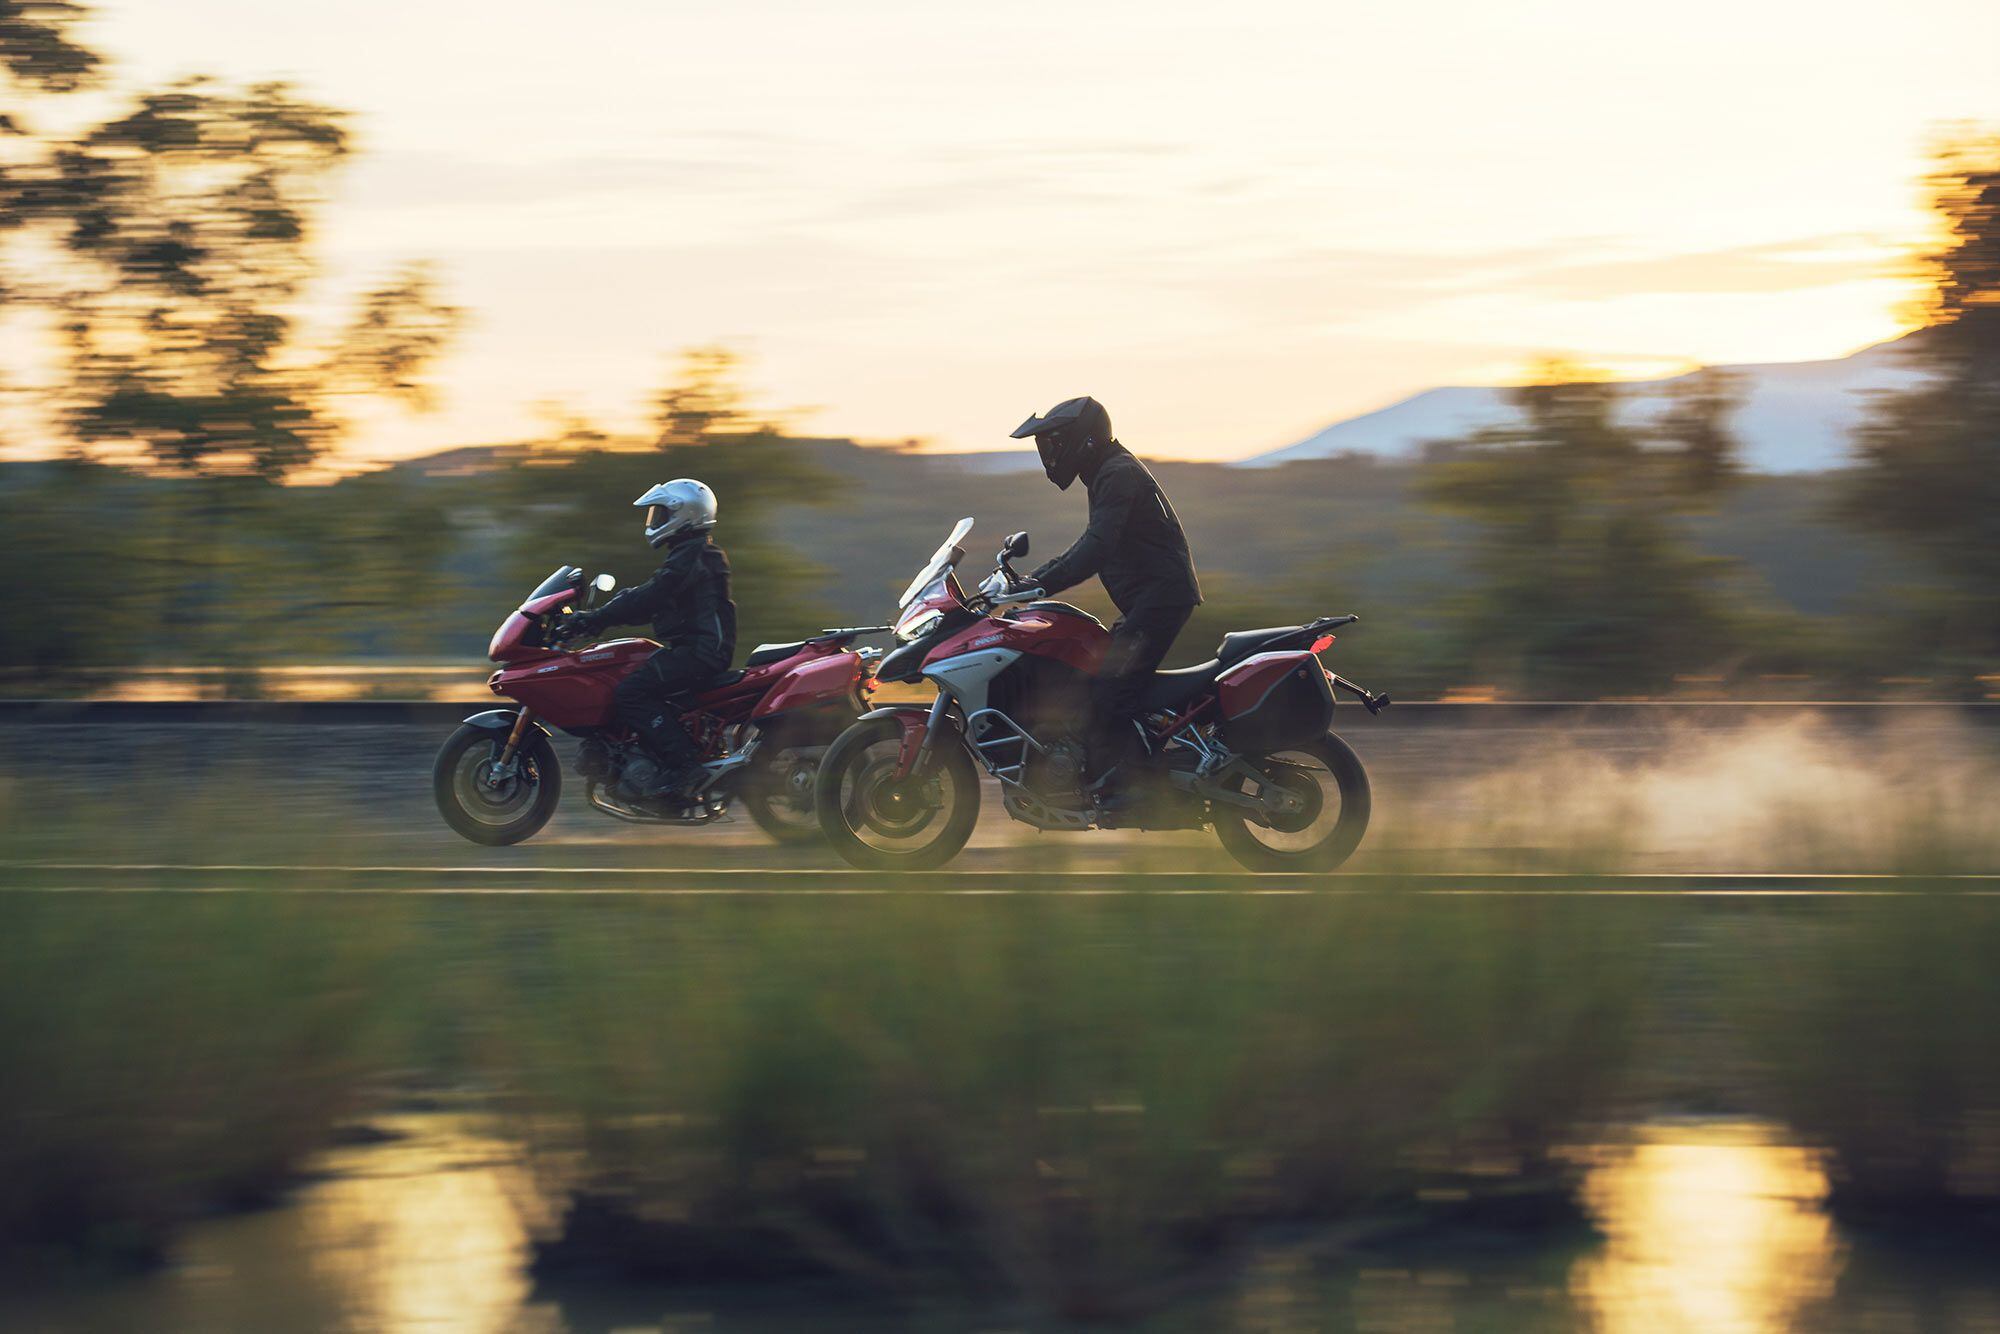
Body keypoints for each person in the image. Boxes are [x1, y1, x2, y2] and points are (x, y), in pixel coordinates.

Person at [1009, 396, 1201, 801]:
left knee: (1111, 689)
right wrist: (1033, 581)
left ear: (1083, 439)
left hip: (1161, 599)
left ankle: (1135, 789)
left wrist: (1038, 585)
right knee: (1089, 677)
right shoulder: (1107, 472)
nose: (1050, 453)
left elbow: (1096, 547)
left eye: (1054, 443)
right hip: (1152, 600)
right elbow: (1092, 544)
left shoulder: (1117, 473)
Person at [565, 478, 736, 801]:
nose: (654, 522)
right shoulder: (692, 553)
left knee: (630, 692)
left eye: (660, 515)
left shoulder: (693, 555)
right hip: (698, 649)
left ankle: (684, 766)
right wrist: (604, 617)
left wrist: (595, 618)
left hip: (701, 652)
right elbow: (653, 600)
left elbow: (654, 594)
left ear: (683, 515)